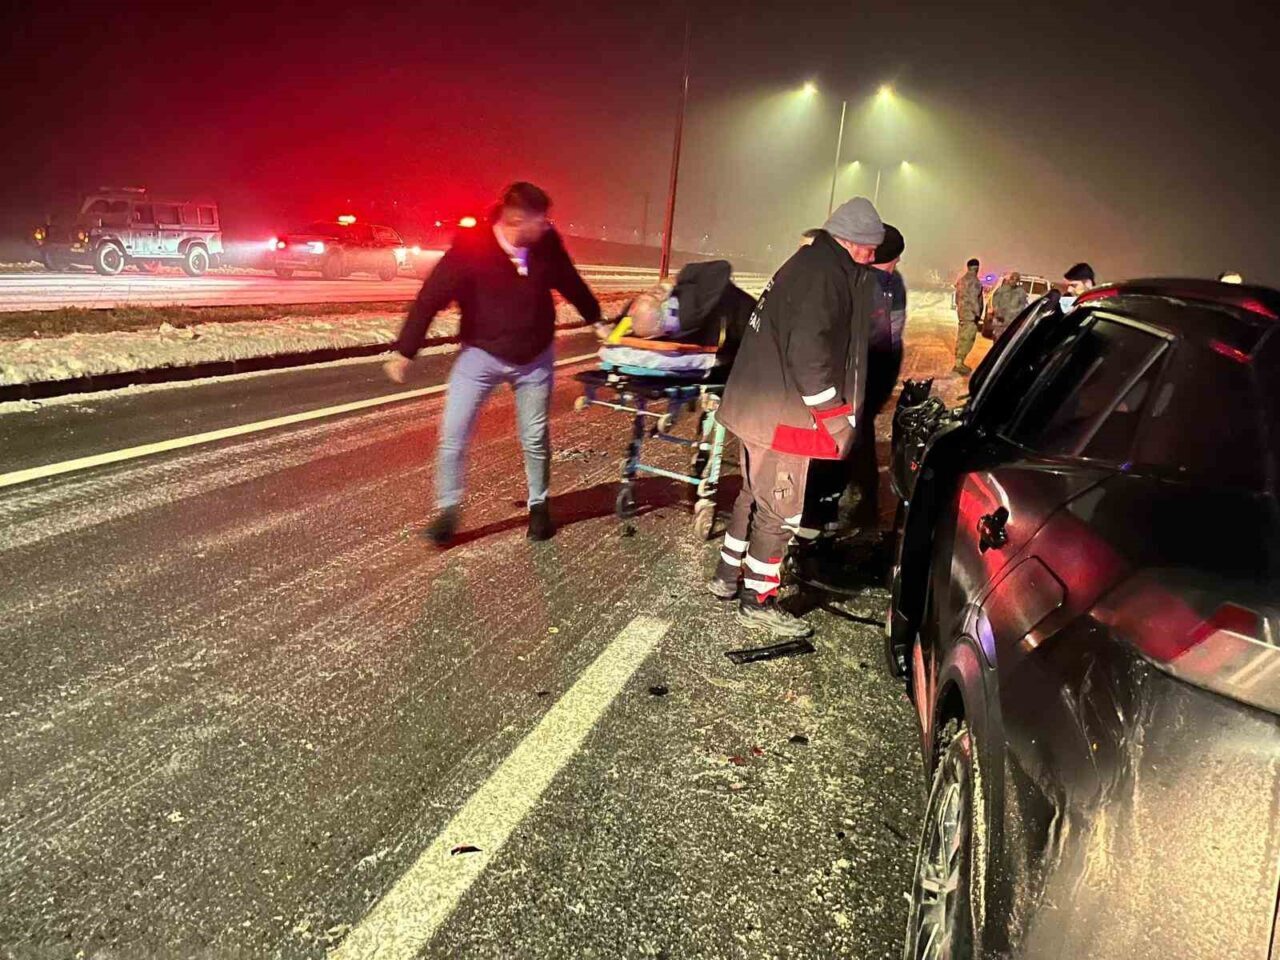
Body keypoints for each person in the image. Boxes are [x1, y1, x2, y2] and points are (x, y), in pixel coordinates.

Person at [386, 182, 601, 546]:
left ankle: (539, 507)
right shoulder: (472, 248)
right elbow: (430, 297)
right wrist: (406, 350)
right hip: (481, 355)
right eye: (541, 221)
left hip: (534, 357)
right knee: (453, 433)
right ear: (517, 219)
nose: (547, 226)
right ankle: (448, 511)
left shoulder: (546, 244)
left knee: (534, 438)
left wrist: (596, 318)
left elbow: (570, 282)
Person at [708, 197, 883, 638]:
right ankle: (759, 599)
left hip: (757, 407)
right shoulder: (825, 276)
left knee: (753, 494)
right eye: (868, 249)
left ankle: (727, 577)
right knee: (781, 511)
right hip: (783, 415)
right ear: (850, 241)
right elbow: (808, 357)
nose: (871, 258)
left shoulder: (807, 264)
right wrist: (835, 417)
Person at [795, 224, 908, 559]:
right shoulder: (864, 282)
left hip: (862, 378)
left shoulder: (878, 283)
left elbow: (886, 338)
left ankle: (825, 517)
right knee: (843, 444)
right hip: (855, 378)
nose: (896, 265)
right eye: (893, 259)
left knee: (843, 444)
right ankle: (830, 515)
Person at [954, 258, 984, 375]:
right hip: (970, 315)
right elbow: (974, 300)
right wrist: (977, 314)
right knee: (967, 339)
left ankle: (958, 362)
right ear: (976, 267)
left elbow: (957, 298)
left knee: (961, 337)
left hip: (962, 313)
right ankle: (959, 364)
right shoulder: (974, 282)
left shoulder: (961, 280)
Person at [990, 271, 1029, 340]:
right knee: (997, 339)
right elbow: (995, 302)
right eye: (1012, 279)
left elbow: (1023, 306)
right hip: (1000, 321)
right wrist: (998, 312)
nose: (1013, 281)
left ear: (1018, 281)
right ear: (1009, 279)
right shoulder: (1001, 290)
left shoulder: (1021, 293)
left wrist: (1016, 314)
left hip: (1012, 322)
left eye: (1016, 280)